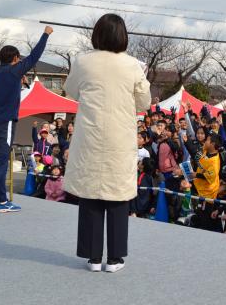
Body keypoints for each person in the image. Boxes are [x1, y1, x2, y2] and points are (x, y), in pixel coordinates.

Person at [62, 14, 151, 273]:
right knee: (117, 196)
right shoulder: (133, 65)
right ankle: (114, 259)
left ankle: (92, 257)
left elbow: (72, 91)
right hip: (119, 136)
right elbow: (144, 102)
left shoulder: (83, 62)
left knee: (91, 194)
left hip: (90, 134)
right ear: (123, 36)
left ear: (97, 34)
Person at [0, 27, 52, 218]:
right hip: (4, 124)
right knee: (0, 162)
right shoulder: (15, 71)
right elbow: (35, 56)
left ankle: (2, 201)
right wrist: (45, 34)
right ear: (15, 59)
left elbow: (4, 93)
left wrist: (17, 84)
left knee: (0, 162)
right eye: (19, 59)